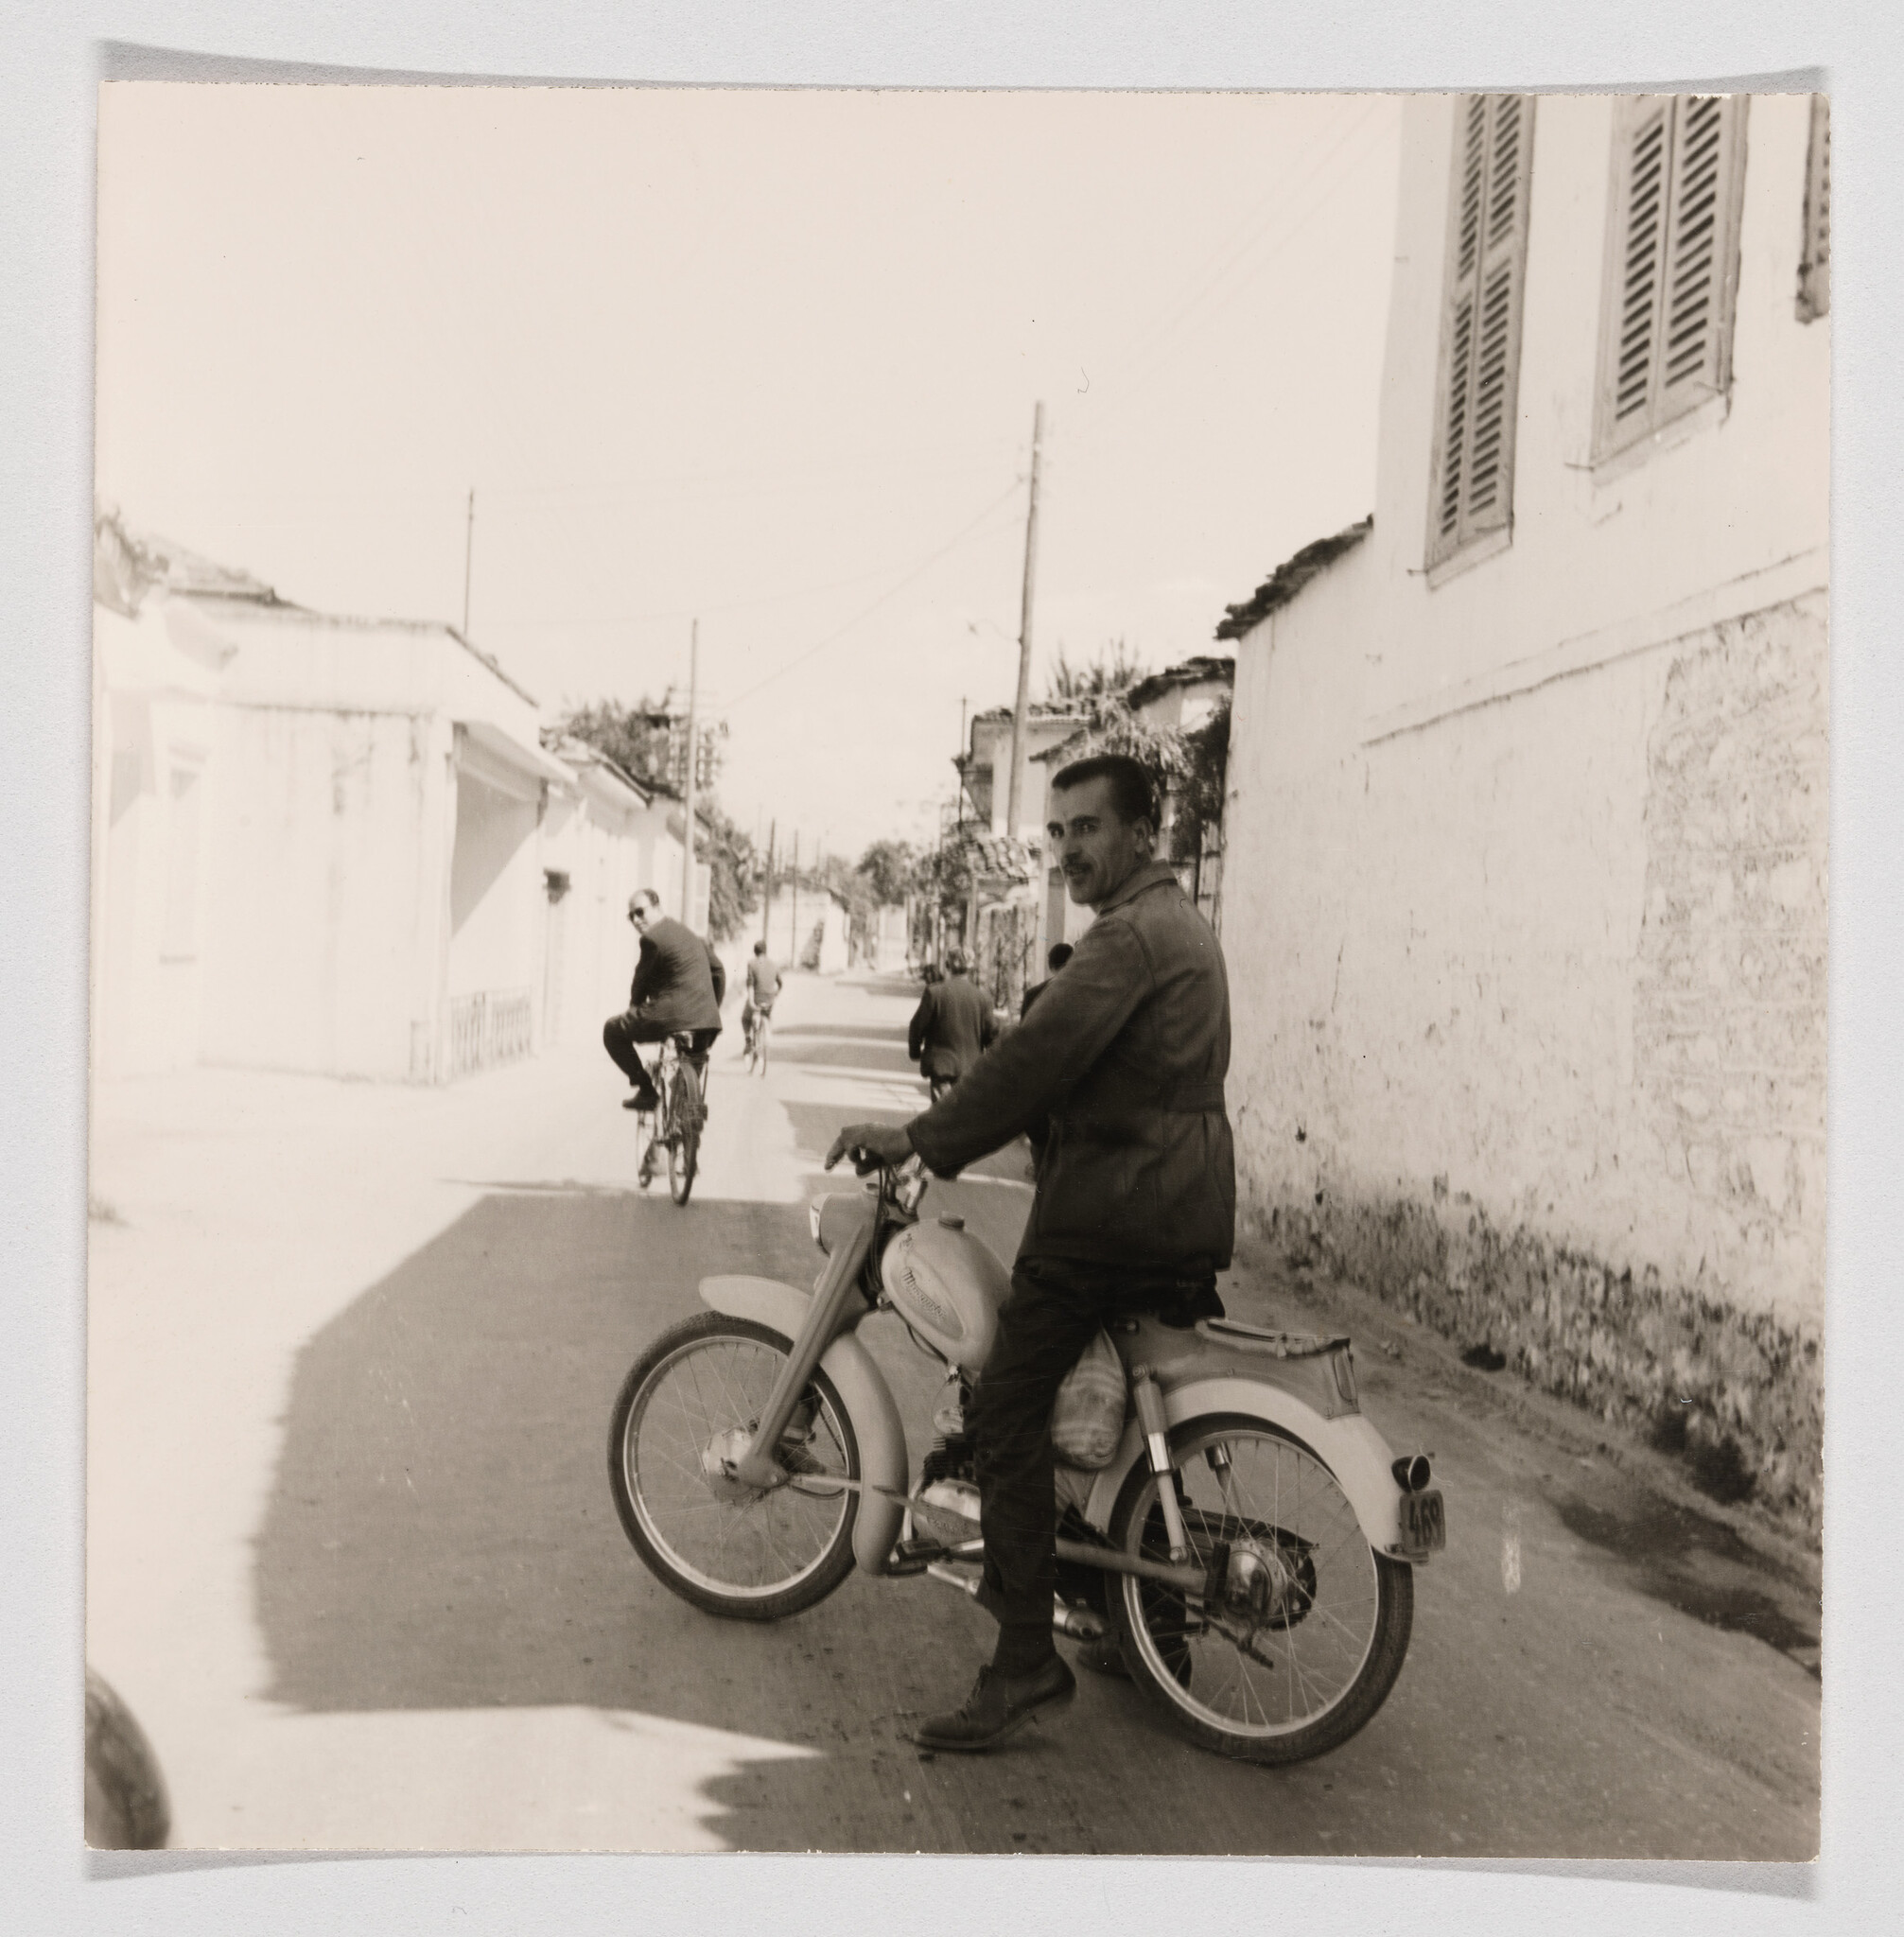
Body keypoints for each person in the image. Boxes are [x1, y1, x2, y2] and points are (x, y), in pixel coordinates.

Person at [827, 754, 1233, 1753]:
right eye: (1059, 833)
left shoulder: (1128, 935)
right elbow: (1069, 1059)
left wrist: (920, 1138)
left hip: (1119, 1211)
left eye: (1088, 828)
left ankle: (1022, 1663)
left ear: (1144, 832)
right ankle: (1150, 1631)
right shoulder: (1167, 923)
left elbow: (1034, 1057)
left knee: (1005, 1405)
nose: (1070, 850)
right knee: (1112, 1411)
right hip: (1169, 1199)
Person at [603, 887, 725, 1115]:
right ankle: (686, 1124)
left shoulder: (652, 939)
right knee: (691, 1067)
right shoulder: (690, 935)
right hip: (707, 1023)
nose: (637, 920)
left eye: (640, 912)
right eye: (631, 917)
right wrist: (711, 1008)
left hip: (671, 1017)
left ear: (657, 906)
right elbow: (718, 970)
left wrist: (633, 1014)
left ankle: (646, 1090)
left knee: (611, 1030)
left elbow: (640, 983)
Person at [906, 948, 997, 1101]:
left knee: (942, 1117)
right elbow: (993, 1037)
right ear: (971, 969)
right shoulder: (983, 998)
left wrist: (915, 1053)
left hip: (941, 1070)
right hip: (971, 1071)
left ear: (947, 966)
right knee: (964, 1118)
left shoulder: (934, 993)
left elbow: (917, 1027)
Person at [742, 940, 782, 1050]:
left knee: (745, 1018)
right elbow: (780, 983)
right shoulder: (774, 964)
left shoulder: (751, 963)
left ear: (755, 951)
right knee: (767, 1014)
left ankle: (748, 1041)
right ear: (766, 951)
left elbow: (750, 984)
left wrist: (751, 1001)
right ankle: (767, 1028)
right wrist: (775, 994)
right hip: (770, 1000)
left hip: (757, 999)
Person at [1018, 941, 1074, 1021]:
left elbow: (1023, 1030)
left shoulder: (1032, 995)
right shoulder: (1081, 996)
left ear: (1051, 966)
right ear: (1073, 964)